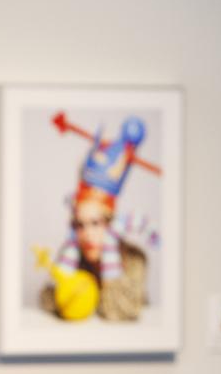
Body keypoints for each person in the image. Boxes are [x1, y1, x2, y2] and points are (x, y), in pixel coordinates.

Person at [39, 117, 149, 322]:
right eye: (79, 225)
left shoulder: (135, 259)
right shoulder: (73, 257)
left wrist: (108, 264)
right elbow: (46, 298)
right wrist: (67, 284)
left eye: (96, 223)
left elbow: (122, 311)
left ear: (111, 223)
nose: (87, 233)